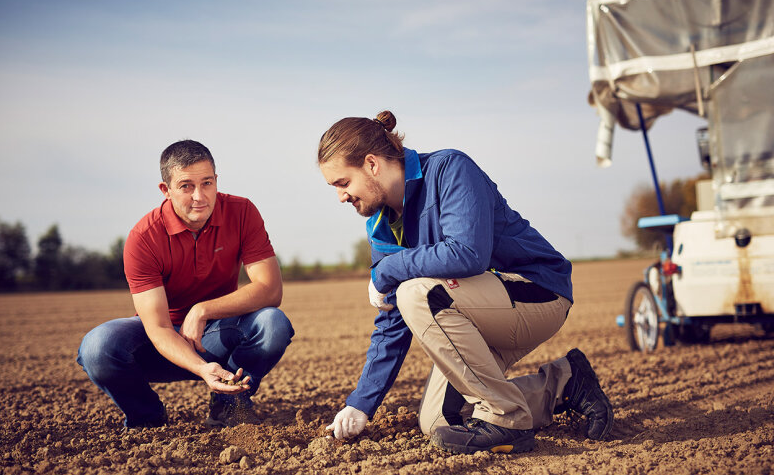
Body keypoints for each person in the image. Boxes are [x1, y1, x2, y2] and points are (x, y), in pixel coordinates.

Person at [318, 111, 613, 454]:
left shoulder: (450, 170)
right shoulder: (381, 226)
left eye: (342, 183)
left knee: (417, 293)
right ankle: (565, 382)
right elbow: (392, 315)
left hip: (537, 292)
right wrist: (361, 403)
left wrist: (387, 271)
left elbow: (467, 253)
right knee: (440, 423)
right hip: (473, 312)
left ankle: (507, 417)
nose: (341, 196)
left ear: (371, 164)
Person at [78, 140, 293, 429]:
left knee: (273, 323)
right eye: (186, 186)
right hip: (161, 343)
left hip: (216, 333)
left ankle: (228, 406)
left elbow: (271, 289)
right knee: (97, 347)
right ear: (165, 190)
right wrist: (202, 369)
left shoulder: (242, 212)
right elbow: (158, 328)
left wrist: (202, 310)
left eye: (207, 183)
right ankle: (147, 416)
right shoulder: (144, 238)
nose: (199, 196)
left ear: (217, 181)